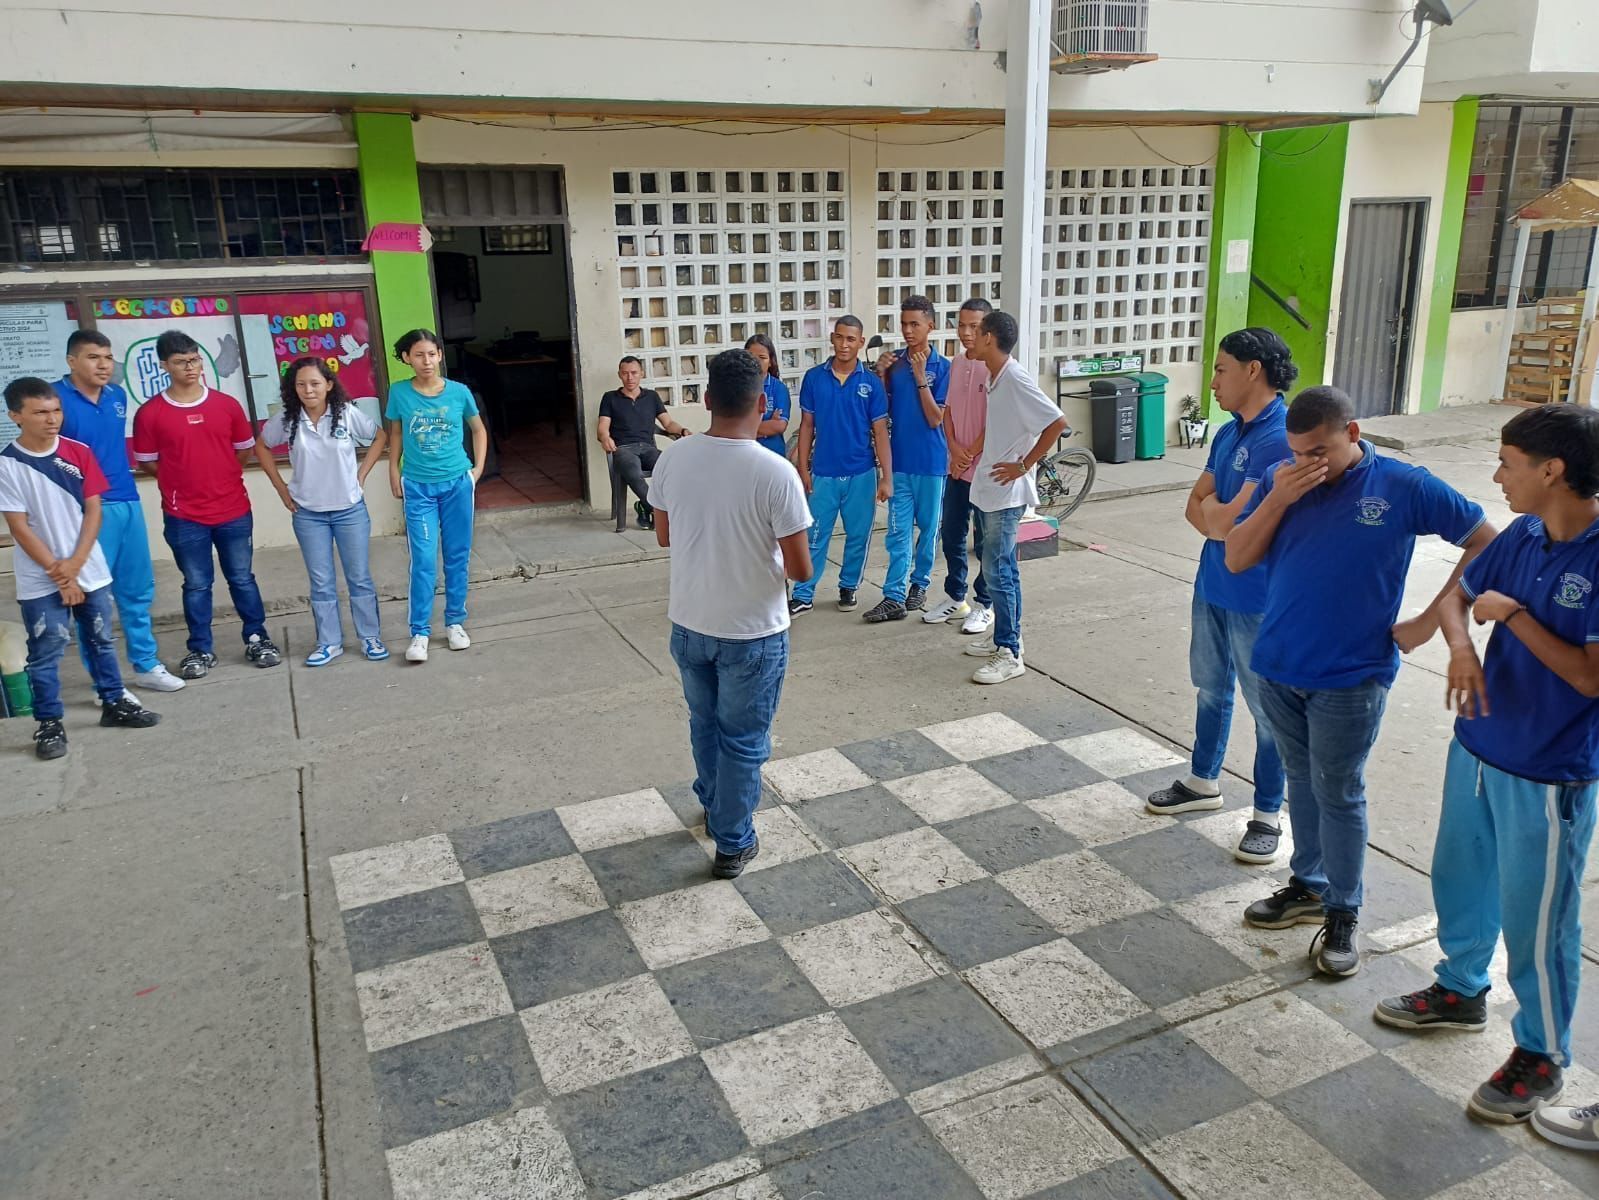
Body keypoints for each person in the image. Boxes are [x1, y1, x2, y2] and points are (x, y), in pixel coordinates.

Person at [1374, 406, 1599, 1132]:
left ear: (1551, 471)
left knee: (1538, 921)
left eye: (1507, 463)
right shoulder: (1525, 533)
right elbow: (1460, 600)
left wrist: (1516, 619)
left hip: (1548, 773)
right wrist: (1463, 647)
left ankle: (1541, 1054)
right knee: (1458, 880)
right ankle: (1459, 989)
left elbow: (1589, 679)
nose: (1497, 476)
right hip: (1475, 745)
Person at [1225, 386, 1495, 978]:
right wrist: (1276, 499)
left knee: (1340, 790)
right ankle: (1309, 884)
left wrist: (1430, 621)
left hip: (1352, 675)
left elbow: (1485, 540)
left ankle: (1344, 912)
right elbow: (1236, 558)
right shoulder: (1281, 479)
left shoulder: (1403, 486)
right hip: (1279, 666)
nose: (1307, 464)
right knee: (1302, 780)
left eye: (1318, 451)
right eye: (1298, 453)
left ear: (1351, 434)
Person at [649, 349, 812, 878]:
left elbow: (665, 535)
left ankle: (715, 803)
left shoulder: (674, 457)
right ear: (761, 402)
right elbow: (801, 570)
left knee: (705, 723)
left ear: (706, 399)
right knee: (743, 738)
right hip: (753, 632)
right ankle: (733, 841)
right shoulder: (775, 471)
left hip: (690, 623)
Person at [1146, 329, 1295, 865]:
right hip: (1212, 584)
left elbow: (1233, 521)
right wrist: (1218, 518)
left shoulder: (1281, 437)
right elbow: (1198, 508)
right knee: (1211, 687)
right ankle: (1203, 780)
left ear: (1253, 370)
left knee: (1268, 708)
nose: (1212, 382)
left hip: (1258, 596)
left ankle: (1268, 814)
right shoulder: (1230, 433)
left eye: (1221, 369)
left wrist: (1217, 516)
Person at [1, 378, 160, 759]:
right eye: (40, 412)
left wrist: (74, 566)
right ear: (16, 416)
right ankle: (49, 724)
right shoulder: (8, 465)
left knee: (101, 639)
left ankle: (113, 703)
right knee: (47, 648)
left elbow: (94, 510)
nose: (51, 419)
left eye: (55, 410)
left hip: (89, 568)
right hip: (41, 578)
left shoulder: (78, 452)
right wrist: (59, 573)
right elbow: (19, 526)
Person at [131, 330, 280, 678]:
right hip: (185, 517)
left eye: (195, 359)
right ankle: (200, 648)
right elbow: (148, 462)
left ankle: (257, 638)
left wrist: (222, 476)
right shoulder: (150, 414)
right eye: (181, 362)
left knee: (242, 578)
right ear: (165, 365)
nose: (190, 367)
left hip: (233, 511)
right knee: (197, 584)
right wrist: (181, 483)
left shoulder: (226, 405)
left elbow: (243, 450)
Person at [54, 331, 185, 695]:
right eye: (94, 357)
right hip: (86, 508)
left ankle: (145, 665)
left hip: (126, 499)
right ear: (72, 361)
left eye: (108, 358)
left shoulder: (117, 395)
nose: (103, 365)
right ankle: (104, 682)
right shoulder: (55, 399)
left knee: (137, 590)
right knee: (94, 598)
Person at [255, 357, 389, 667]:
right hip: (308, 513)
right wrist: (280, 488)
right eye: (301, 384)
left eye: (315, 383)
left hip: (349, 510)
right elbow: (261, 447)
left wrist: (362, 474)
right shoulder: (288, 420)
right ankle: (329, 642)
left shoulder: (345, 414)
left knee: (359, 577)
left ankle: (370, 636)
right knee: (321, 581)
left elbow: (380, 437)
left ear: (329, 385)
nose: (308, 390)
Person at [966, 310, 1068, 685]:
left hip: (1007, 496)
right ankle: (1004, 641)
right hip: (989, 491)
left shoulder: (1016, 378)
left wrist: (1024, 465)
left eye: (975, 331)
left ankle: (1009, 651)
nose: (968, 338)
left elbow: (1057, 422)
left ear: (990, 337)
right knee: (999, 569)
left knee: (999, 572)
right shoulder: (995, 378)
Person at [385, 329, 488, 665]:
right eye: (418, 355)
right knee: (424, 561)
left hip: (458, 483)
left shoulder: (459, 392)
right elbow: (396, 433)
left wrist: (477, 470)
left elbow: (478, 429)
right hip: (418, 487)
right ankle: (420, 632)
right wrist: (393, 471)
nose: (426, 361)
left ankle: (455, 622)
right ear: (406, 358)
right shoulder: (399, 392)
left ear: (440, 355)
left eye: (431, 354)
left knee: (457, 556)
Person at [788, 316, 891, 616]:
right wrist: (803, 469)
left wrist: (886, 477)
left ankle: (849, 586)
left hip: (862, 473)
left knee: (858, 535)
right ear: (832, 339)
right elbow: (807, 426)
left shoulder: (870, 383)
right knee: (815, 535)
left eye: (851, 339)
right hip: (823, 473)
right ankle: (803, 593)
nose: (845, 344)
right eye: (840, 338)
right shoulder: (814, 378)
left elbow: (880, 431)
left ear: (861, 342)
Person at [866, 295, 950, 624]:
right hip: (899, 462)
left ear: (931, 325)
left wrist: (919, 376)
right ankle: (894, 595)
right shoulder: (895, 363)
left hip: (931, 463)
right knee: (898, 531)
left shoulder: (944, 368)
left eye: (915, 324)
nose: (908, 330)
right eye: (904, 324)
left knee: (928, 529)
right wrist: (882, 376)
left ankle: (920, 583)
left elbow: (935, 418)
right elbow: (880, 411)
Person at [921, 298, 994, 635]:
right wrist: (954, 448)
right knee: (951, 533)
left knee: (985, 542)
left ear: (988, 329)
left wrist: (972, 451)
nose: (966, 333)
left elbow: (996, 417)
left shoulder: (994, 366)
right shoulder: (958, 363)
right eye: (961, 325)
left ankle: (985, 603)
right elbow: (947, 410)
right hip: (957, 467)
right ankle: (955, 595)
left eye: (974, 326)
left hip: (984, 469)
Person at [596, 356, 690, 529]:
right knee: (632, 469)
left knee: (670, 467)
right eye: (625, 373)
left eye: (634, 373)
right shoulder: (610, 398)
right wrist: (605, 437)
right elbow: (603, 427)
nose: (629, 377)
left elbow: (668, 423)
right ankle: (659, 512)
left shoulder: (652, 397)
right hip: (623, 449)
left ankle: (647, 507)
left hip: (648, 448)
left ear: (641, 374)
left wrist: (682, 430)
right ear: (619, 375)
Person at [745, 334, 791, 458]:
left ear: (771, 361)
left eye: (762, 357)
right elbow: (731, 426)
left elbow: (779, 425)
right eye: (751, 357)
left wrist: (746, 429)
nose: (756, 362)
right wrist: (766, 426)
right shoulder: (738, 388)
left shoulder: (779, 389)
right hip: (745, 456)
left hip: (774, 456)